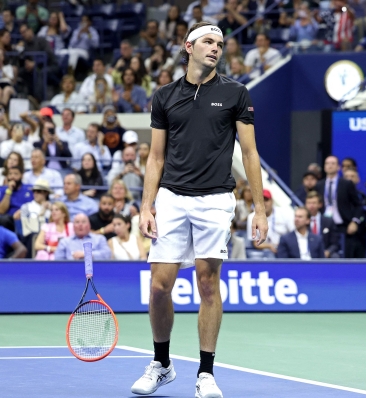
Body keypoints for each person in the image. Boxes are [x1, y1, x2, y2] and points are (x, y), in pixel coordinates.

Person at [133, 22, 268, 398]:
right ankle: (162, 364)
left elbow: (250, 153)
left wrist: (259, 209)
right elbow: (155, 157)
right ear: (188, 47)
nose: (216, 48)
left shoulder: (236, 93)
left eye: (220, 44)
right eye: (208, 42)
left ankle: (205, 374)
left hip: (215, 200)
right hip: (172, 198)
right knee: (160, 287)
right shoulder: (164, 96)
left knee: (208, 285)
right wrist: (147, 206)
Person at [315, 156, 364, 258]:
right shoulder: (319, 185)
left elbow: (358, 204)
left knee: (346, 256)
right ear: (324, 167)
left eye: (333, 163)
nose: (330, 166)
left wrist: (355, 221)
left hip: (344, 226)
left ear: (338, 167)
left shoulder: (346, 184)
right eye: (327, 163)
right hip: (326, 226)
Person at [246, 189, 293, 259]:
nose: (264, 203)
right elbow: (255, 243)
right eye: (261, 201)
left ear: (272, 201)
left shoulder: (284, 213)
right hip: (264, 252)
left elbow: (293, 234)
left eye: (266, 200)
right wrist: (269, 246)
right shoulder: (251, 217)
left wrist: (282, 245)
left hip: (284, 249)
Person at [305, 190, 340, 258]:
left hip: (325, 253)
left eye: (314, 203)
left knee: (335, 256)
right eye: (308, 203)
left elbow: (335, 243)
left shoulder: (328, 221)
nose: (311, 206)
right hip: (306, 253)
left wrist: (328, 251)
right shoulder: (302, 221)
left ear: (320, 204)